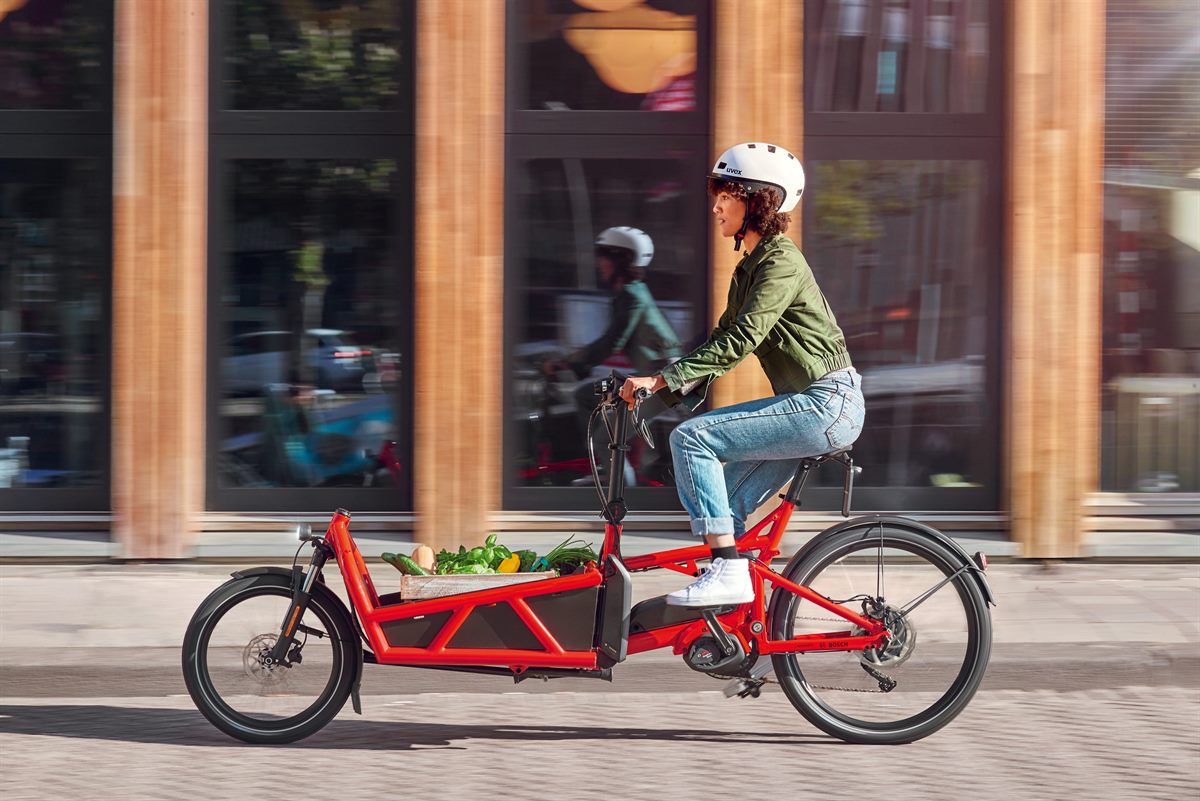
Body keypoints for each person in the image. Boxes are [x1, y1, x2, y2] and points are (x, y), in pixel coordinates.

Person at [620, 142, 865, 607]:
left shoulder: (781, 262)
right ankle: (743, 632)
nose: (715, 205)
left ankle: (730, 576)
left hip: (825, 404)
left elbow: (743, 338)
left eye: (727, 195)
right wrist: (656, 395)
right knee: (725, 511)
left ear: (759, 200)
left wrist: (662, 382)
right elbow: (722, 338)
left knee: (693, 440)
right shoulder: (751, 267)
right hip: (812, 407)